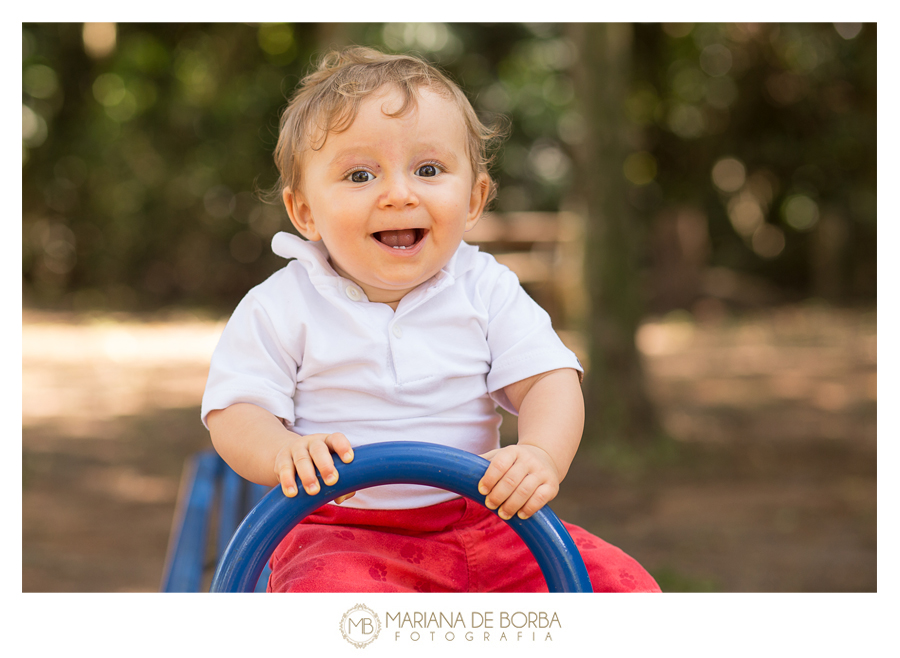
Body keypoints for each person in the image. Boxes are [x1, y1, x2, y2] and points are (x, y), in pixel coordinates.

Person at [202, 46, 660, 593]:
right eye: (360, 174)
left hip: (488, 519)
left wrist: (539, 454)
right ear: (305, 212)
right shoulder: (281, 305)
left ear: (474, 198)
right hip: (342, 532)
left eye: (428, 169)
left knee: (621, 586)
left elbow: (547, 380)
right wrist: (282, 451)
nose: (399, 194)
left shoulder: (485, 288)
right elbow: (235, 410)